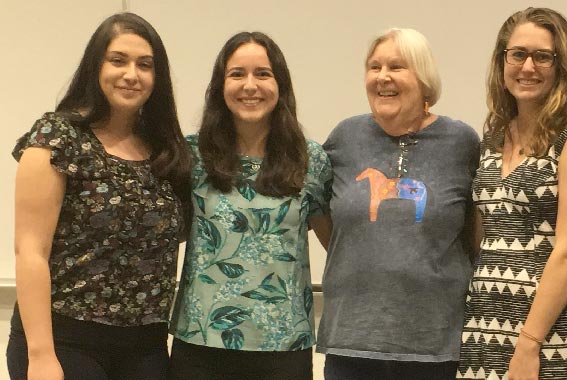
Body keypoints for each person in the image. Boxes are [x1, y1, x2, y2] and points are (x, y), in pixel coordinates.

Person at [6, 12, 191, 380]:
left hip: (147, 345)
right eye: (118, 60)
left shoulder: (166, 150)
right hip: (65, 340)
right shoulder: (58, 137)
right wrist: (40, 356)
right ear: (96, 67)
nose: (131, 74)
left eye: (145, 65)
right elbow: (30, 251)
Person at [457, 7, 567, 380]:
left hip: (544, 336)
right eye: (518, 54)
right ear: (502, 61)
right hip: (483, 327)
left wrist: (529, 342)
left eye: (543, 56)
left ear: (563, 66)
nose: (528, 67)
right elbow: (484, 240)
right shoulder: (494, 136)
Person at [316, 28, 480, 380]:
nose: (383, 77)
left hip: (434, 345)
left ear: (424, 78)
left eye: (397, 67)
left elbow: (475, 229)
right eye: (374, 67)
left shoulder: (461, 142)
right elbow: (319, 211)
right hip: (351, 339)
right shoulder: (345, 137)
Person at [168, 31, 331, 380]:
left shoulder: (310, 158)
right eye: (237, 74)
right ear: (220, 85)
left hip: (284, 344)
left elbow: (335, 242)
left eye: (263, 73)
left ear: (280, 85)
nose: (250, 85)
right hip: (201, 341)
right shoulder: (191, 154)